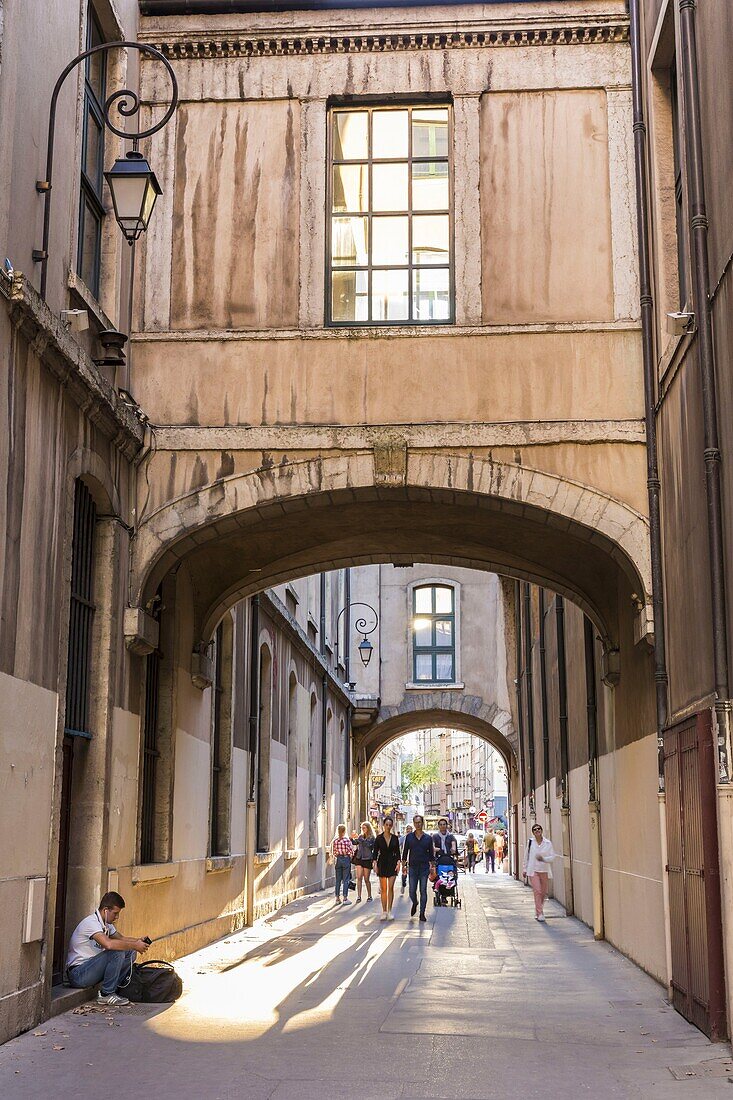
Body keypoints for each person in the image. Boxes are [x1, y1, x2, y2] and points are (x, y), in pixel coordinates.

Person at [66, 891, 150, 1007]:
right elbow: (108, 944)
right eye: (115, 913)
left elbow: (122, 939)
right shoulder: (91, 923)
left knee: (130, 952)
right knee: (116, 953)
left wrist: (137, 941)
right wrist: (134, 945)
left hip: (91, 969)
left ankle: (115, 988)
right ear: (106, 910)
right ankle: (106, 994)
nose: (117, 917)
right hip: (78, 974)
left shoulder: (106, 924)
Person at [402, 814, 435, 922]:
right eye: (416, 823)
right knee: (412, 890)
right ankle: (415, 902)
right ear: (414, 823)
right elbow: (405, 852)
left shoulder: (428, 838)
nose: (418, 824)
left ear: (422, 823)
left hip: (424, 867)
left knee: (423, 890)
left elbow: (431, 854)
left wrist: (432, 866)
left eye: (419, 822)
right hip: (413, 867)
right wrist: (404, 866)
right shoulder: (409, 837)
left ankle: (422, 913)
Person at [522, 823, 558, 922]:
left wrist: (544, 859)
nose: (537, 830)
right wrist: (524, 869)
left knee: (542, 893)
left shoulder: (548, 843)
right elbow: (526, 856)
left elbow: (552, 857)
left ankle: (538, 909)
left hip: (544, 870)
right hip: (533, 870)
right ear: (533, 832)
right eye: (535, 829)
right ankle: (539, 913)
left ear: (541, 831)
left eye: (538, 829)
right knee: (537, 891)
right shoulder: (530, 843)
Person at [373, 815, 401, 921]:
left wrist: (398, 863)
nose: (388, 827)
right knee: (383, 888)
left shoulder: (395, 838)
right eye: (386, 825)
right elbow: (375, 853)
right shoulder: (379, 838)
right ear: (383, 825)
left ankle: (389, 911)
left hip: (392, 863)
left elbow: (398, 852)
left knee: (390, 888)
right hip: (382, 863)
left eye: (390, 825)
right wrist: (375, 864)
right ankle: (384, 911)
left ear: (392, 826)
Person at [331, 823, 355, 905]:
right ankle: (345, 898)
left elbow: (334, 852)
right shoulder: (347, 840)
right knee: (346, 880)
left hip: (338, 860)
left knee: (338, 880)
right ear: (344, 831)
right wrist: (349, 857)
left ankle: (337, 898)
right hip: (346, 859)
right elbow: (351, 852)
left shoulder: (335, 841)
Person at [353, 821, 375, 902]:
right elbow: (355, 842)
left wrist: (360, 839)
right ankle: (359, 896)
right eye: (362, 828)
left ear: (368, 828)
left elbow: (368, 845)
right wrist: (351, 838)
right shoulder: (360, 836)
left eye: (364, 828)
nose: (363, 829)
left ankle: (369, 895)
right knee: (359, 878)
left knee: (366, 879)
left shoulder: (372, 837)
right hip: (359, 858)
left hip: (367, 859)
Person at [400, 824, 413, 895]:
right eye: (407, 829)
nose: (409, 830)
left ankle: (411, 889)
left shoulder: (414, 838)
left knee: (411, 875)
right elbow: (397, 844)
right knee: (404, 874)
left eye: (410, 829)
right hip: (405, 859)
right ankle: (403, 884)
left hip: (412, 859)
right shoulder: (403, 838)